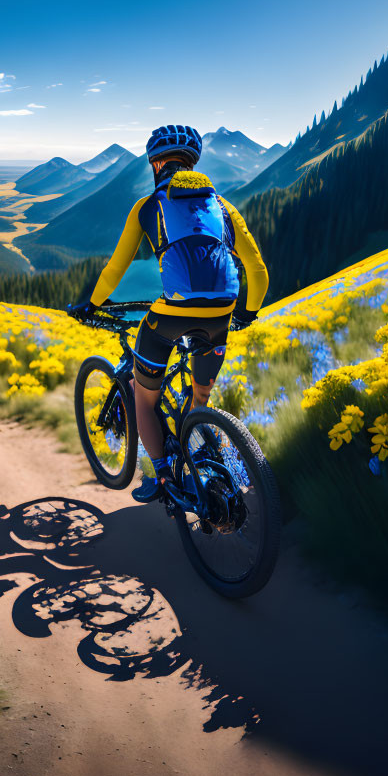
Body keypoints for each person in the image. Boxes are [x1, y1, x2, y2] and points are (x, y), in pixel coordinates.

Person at [69, 124, 268, 502]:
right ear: (191, 163)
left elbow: (114, 270)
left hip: (171, 313)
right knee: (200, 396)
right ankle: (203, 456)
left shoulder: (147, 207)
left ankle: (162, 478)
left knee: (142, 397)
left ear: (157, 164)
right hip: (222, 313)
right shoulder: (223, 207)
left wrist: (92, 305)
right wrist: (246, 313)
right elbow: (257, 270)